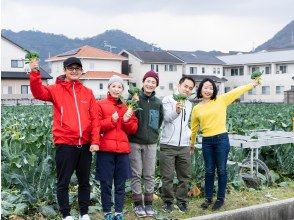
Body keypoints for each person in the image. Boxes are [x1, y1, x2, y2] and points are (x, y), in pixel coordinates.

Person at [29, 57, 100, 220]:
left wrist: (95, 141)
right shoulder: (55, 89)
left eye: (77, 68)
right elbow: (38, 92)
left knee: (84, 182)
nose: (74, 71)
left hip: (85, 145)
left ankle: (84, 213)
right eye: (70, 68)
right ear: (65, 71)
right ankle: (66, 214)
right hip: (65, 144)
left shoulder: (87, 93)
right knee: (63, 182)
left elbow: (95, 119)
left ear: (81, 71)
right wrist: (34, 72)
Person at [190, 78, 260, 210]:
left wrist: (252, 85)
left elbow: (237, 91)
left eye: (211, 88)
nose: (208, 90)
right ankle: (208, 198)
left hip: (221, 139)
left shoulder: (221, 100)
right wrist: (191, 144)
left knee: (221, 170)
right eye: (206, 87)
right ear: (200, 89)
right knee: (209, 171)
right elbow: (194, 128)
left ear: (214, 90)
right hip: (206, 142)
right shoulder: (197, 109)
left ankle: (220, 199)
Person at [96, 75, 138, 220]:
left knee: (120, 184)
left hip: (122, 151)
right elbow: (96, 126)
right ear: (109, 87)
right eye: (113, 86)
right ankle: (107, 211)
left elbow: (133, 129)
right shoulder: (100, 104)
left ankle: (119, 212)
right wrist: (111, 121)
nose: (116, 89)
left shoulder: (128, 107)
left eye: (119, 87)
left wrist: (126, 120)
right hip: (105, 150)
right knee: (106, 183)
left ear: (122, 89)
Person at [129, 70, 164, 217]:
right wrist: (135, 102)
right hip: (135, 142)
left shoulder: (157, 102)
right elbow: (129, 117)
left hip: (151, 143)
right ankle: (138, 205)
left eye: (153, 82)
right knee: (136, 174)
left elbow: (160, 120)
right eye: (148, 81)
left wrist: (154, 134)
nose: (150, 84)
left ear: (156, 85)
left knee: (149, 174)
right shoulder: (134, 98)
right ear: (143, 82)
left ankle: (149, 204)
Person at [159, 76, 196, 213]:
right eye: (185, 86)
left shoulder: (189, 104)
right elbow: (167, 118)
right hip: (168, 144)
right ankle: (168, 202)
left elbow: (186, 123)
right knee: (167, 176)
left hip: (184, 145)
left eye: (190, 88)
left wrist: (190, 137)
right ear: (179, 85)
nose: (187, 90)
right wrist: (177, 110)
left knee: (184, 176)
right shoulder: (168, 100)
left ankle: (182, 202)